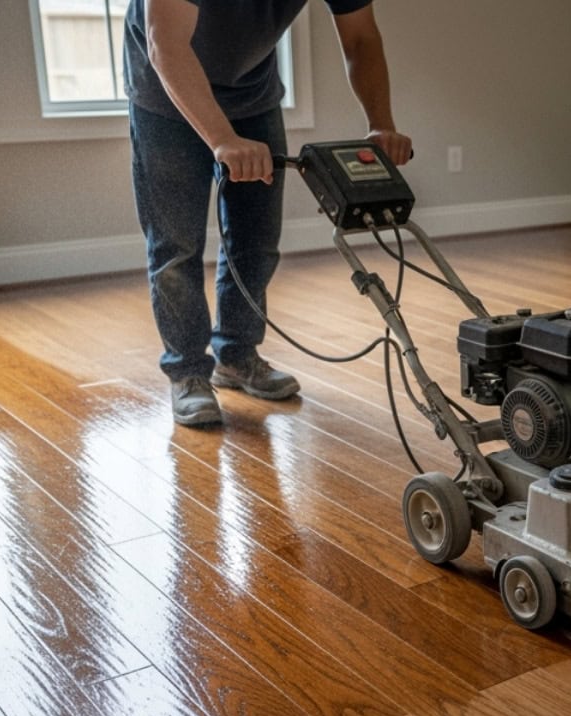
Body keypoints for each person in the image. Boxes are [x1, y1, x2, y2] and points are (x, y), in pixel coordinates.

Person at [123, 0, 412, 426]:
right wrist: (222, 138)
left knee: (257, 240)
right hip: (165, 94)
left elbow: (361, 38)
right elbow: (165, 42)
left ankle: (236, 356)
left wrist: (381, 123)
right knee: (176, 246)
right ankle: (187, 372)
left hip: (251, 96)